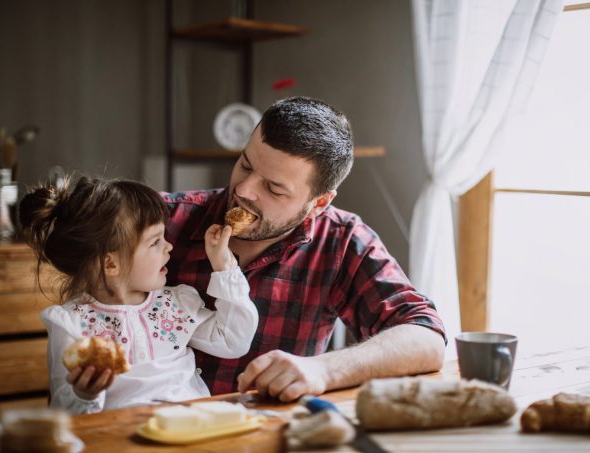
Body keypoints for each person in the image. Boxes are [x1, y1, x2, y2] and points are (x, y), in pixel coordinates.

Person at [163, 97, 446, 402]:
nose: (243, 190)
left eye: (273, 188)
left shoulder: (341, 240)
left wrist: (324, 370)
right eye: (245, 165)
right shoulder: (161, 219)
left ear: (319, 203)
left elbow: (426, 337)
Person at [19, 177, 258, 414]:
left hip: (192, 428)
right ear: (110, 264)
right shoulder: (71, 324)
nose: (169, 247)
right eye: (155, 242)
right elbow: (64, 409)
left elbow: (233, 341)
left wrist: (224, 267)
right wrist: (84, 395)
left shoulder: (175, 304)